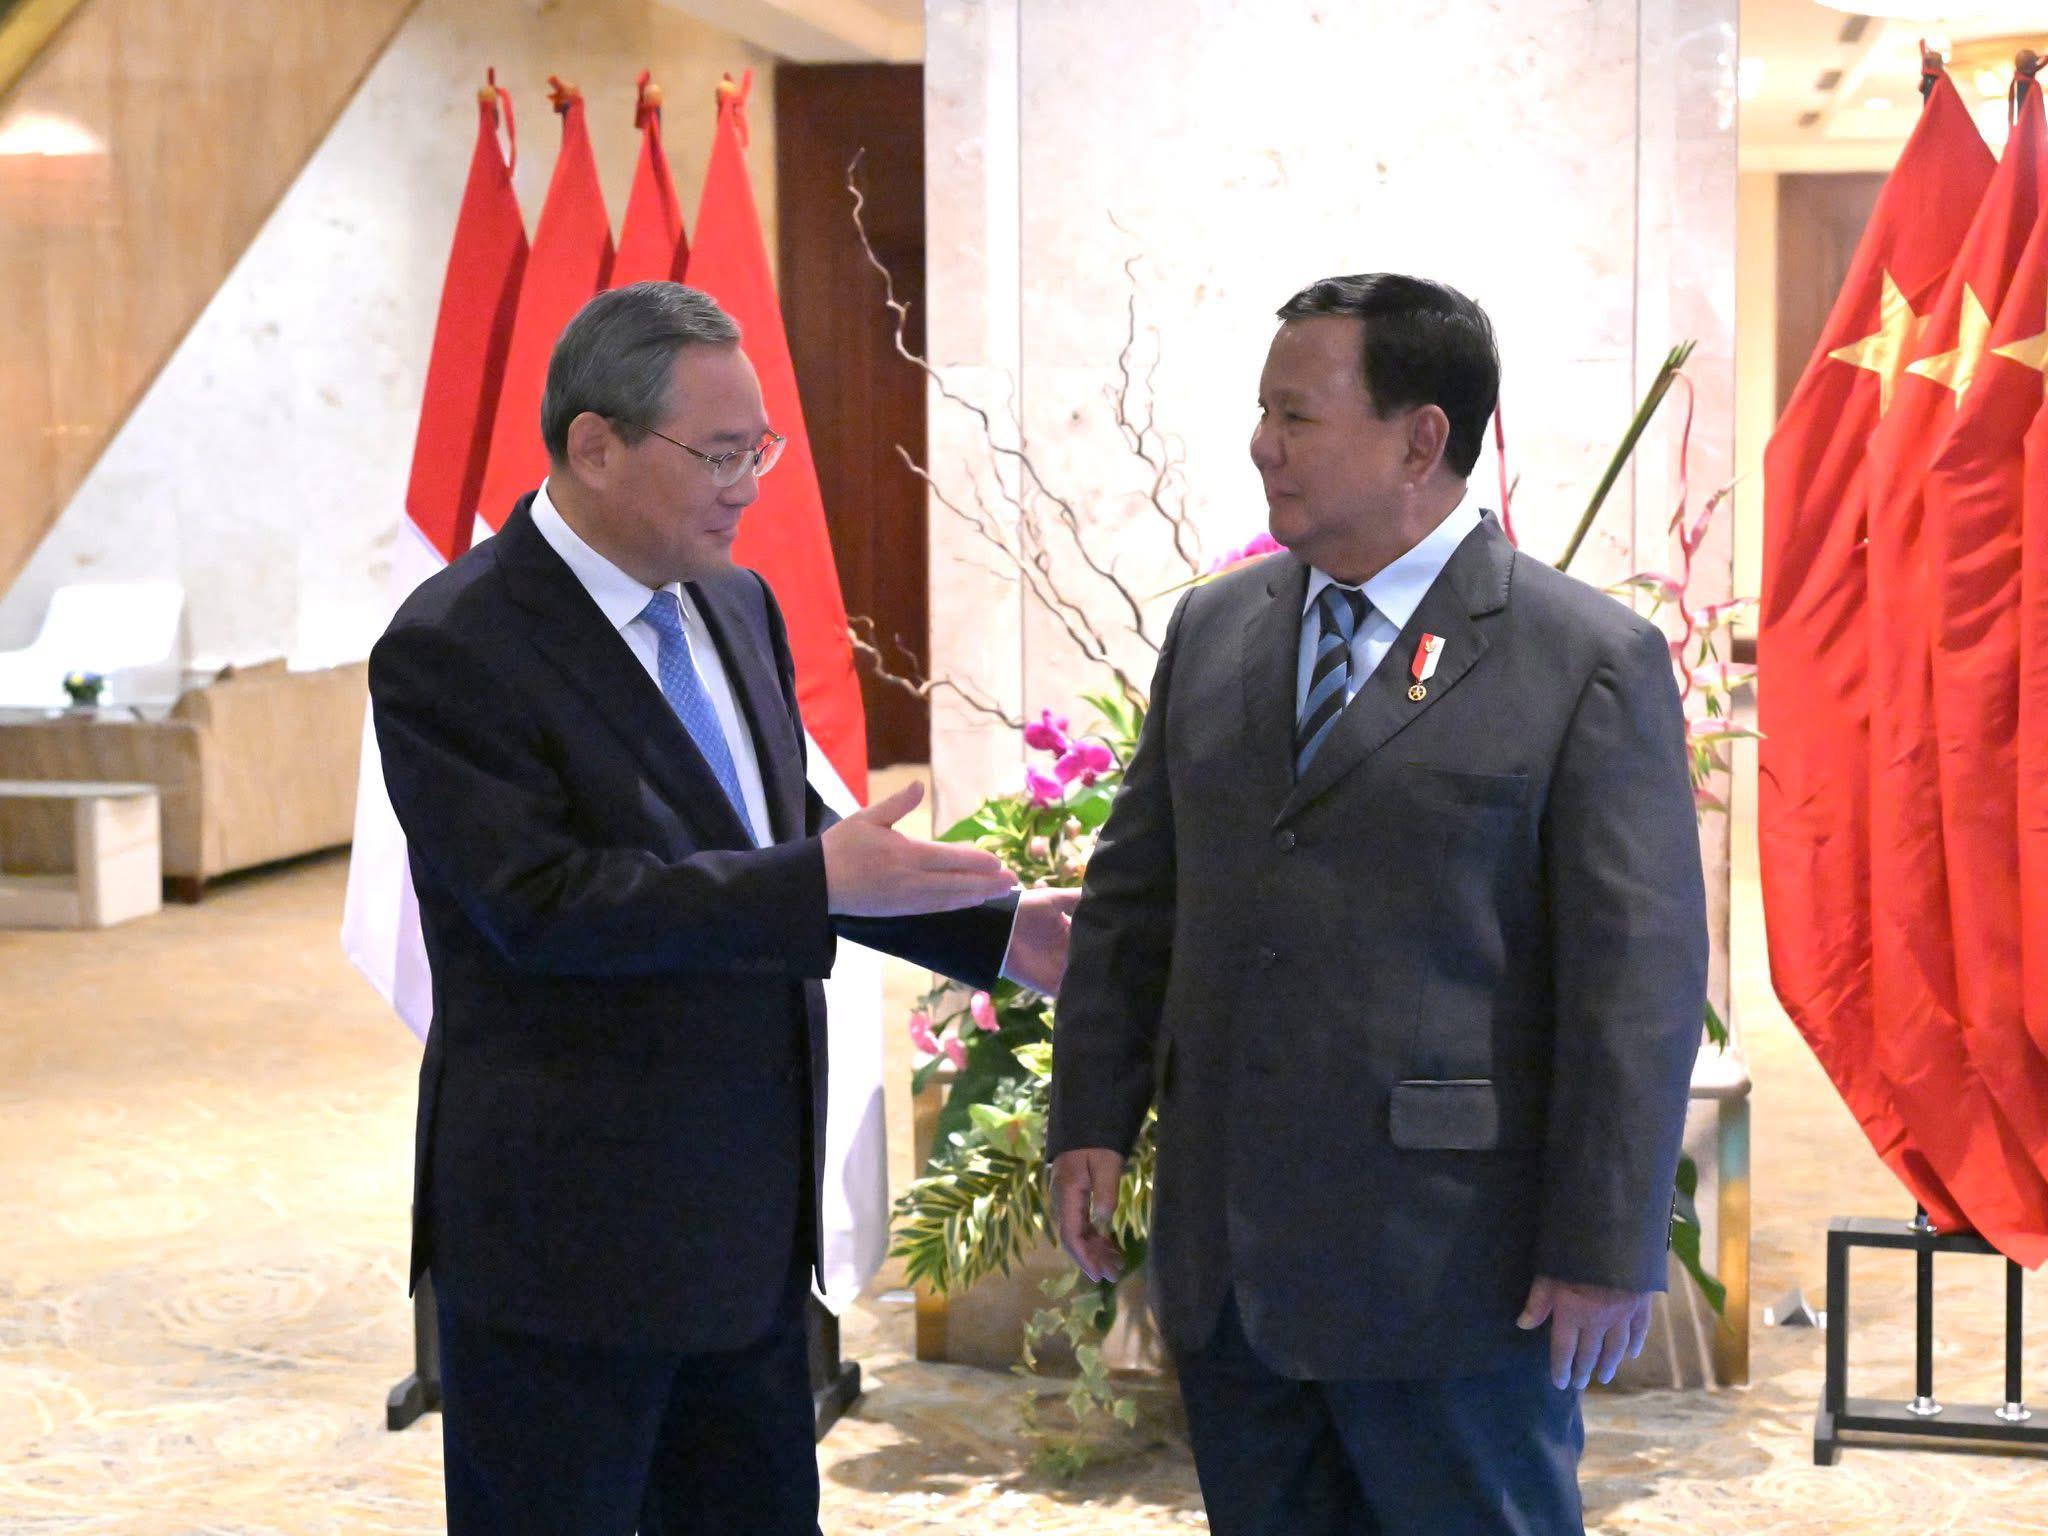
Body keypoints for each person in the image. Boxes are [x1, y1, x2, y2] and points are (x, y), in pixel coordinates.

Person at [369, 280, 1076, 1534]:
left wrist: (991, 932)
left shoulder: (733, 601)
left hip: (743, 1233)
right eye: (719, 453)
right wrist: (813, 879)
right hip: (568, 1245)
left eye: (761, 449)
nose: (749, 485)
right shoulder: (457, 642)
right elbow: (540, 906)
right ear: (595, 445)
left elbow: (777, 846)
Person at [1047, 273, 1706, 1535]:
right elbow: (1135, 902)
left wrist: (1604, 1243)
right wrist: (1090, 1114)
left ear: (1419, 440)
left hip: (1454, 1277)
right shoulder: (1214, 630)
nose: (1261, 445)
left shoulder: (1580, 660)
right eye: (1262, 411)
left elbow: (1637, 985)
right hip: (1232, 1267)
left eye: (1295, 415)